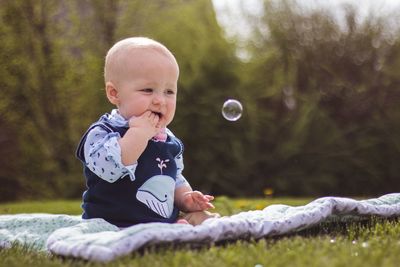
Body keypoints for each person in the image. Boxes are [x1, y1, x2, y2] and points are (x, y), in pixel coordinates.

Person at [76, 37, 219, 227]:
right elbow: (112, 169)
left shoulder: (168, 139)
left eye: (169, 92)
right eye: (148, 90)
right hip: (112, 224)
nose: (160, 100)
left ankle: (180, 227)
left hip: (159, 223)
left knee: (203, 218)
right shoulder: (103, 133)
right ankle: (174, 232)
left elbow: (174, 178)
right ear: (114, 93)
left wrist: (186, 198)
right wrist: (138, 134)